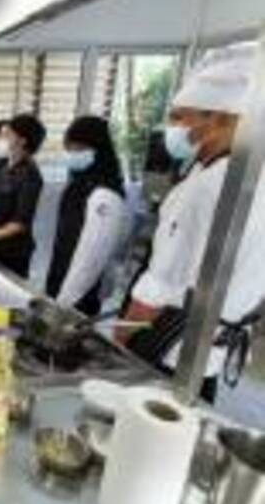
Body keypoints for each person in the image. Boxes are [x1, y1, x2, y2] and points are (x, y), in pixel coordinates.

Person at [121, 44, 259, 403]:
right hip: (213, 351)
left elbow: (161, 282)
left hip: (168, 345)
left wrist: (119, 339)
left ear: (220, 119)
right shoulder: (252, 178)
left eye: (180, 118)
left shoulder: (206, 186)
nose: (172, 128)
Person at [45, 116, 127, 316]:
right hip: (61, 282)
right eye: (69, 147)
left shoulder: (105, 194)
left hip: (78, 297)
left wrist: (65, 302)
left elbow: (92, 256)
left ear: (98, 149)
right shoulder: (80, 183)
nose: (71, 153)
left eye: (78, 148)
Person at [0, 114, 46, 278]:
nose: (3, 138)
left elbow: (20, 223)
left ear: (22, 140)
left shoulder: (30, 176)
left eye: (8, 134)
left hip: (11, 252)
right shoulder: (2, 166)